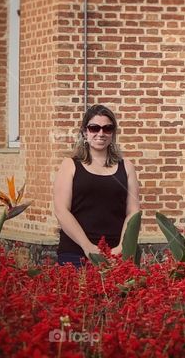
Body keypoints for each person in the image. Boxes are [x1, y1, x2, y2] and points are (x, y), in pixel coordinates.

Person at [53, 104, 140, 267]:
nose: (101, 133)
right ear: (85, 132)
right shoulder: (70, 165)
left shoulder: (126, 167)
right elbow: (61, 210)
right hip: (75, 252)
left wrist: (122, 247)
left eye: (107, 128)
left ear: (113, 133)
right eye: (94, 128)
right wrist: (88, 247)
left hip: (115, 254)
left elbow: (133, 212)